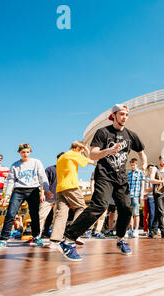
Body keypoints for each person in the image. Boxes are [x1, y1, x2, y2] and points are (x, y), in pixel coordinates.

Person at [58, 104, 147, 261]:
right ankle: (68, 240)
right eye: (121, 114)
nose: (124, 117)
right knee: (100, 206)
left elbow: (141, 152)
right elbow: (92, 155)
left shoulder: (131, 135)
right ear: (113, 115)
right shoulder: (103, 132)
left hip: (121, 178)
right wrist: (109, 151)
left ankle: (121, 239)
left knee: (127, 208)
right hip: (104, 175)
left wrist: (144, 164)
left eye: (126, 114)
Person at [0, 143, 52, 249]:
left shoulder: (36, 162)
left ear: (30, 152)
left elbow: (42, 177)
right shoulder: (15, 165)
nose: (25, 154)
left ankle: (36, 237)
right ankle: (3, 240)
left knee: (34, 215)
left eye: (27, 152)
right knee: (11, 214)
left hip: (33, 190)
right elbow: (11, 181)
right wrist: (6, 196)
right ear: (19, 153)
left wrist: (46, 190)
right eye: (23, 152)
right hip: (18, 191)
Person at [48, 141, 92, 249]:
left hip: (60, 188)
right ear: (78, 148)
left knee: (61, 214)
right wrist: (86, 150)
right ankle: (74, 234)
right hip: (71, 186)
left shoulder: (63, 156)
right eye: (81, 150)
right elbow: (92, 161)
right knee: (81, 207)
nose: (81, 153)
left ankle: (54, 240)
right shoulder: (74, 154)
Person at [38, 152, 64, 239]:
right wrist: (42, 194)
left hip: (61, 197)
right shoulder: (50, 169)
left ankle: (55, 237)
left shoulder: (67, 170)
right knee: (41, 216)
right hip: (48, 197)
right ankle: (36, 235)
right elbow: (43, 182)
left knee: (58, 218)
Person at [149, 155, 164, 239]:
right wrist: (162, 181)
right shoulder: (155, 169)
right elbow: (151, 180)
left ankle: (152, 231)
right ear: (159, 160)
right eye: (163, 160)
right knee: (161, 211)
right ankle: (163, 231)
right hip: (157, 192)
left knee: (158, 212)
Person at [127, 158, 143, 238]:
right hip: (129, 195)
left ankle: (136, 230)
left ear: (136, 164)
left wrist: (142, 195)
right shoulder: (129, 173)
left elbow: (142, 184)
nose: (132, 166)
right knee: (129, 214)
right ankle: (130, 230)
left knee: (136, 213)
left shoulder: (140, 173)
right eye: (131, 165)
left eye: (134, 165)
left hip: (136, 195)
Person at [143, 164, 156, 234]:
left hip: (156, 197)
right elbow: (145, 189)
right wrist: (153, 189)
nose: (151, 170)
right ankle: (150, 229)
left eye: (152, 168)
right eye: (150, 168)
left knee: (155, 214)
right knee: (150, 214)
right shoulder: (146, 178)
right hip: (149, 197)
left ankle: (155, 229)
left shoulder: (155, 177)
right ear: (148, 170)